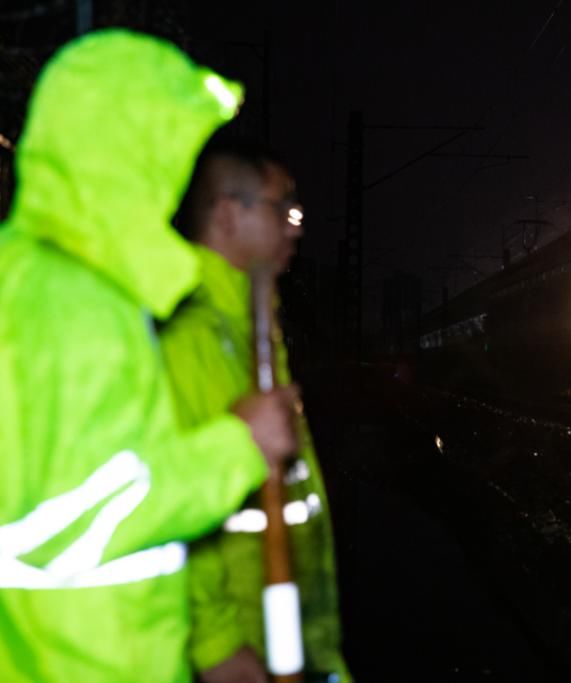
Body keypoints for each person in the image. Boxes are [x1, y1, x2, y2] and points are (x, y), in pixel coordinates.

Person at [0, 30, 299, 683]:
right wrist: (239, 444)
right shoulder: (69, 295)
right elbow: (63, 516)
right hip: (83, 659)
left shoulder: (57, 280)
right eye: (166, 152)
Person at [161, 137, 352, 683]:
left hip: (289, 634)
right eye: (280, 209)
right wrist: (216, 644)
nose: (295, 227)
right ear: (226, 213)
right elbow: (166, 496)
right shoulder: (188, 333)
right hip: (241, 650)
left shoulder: (254, 327)